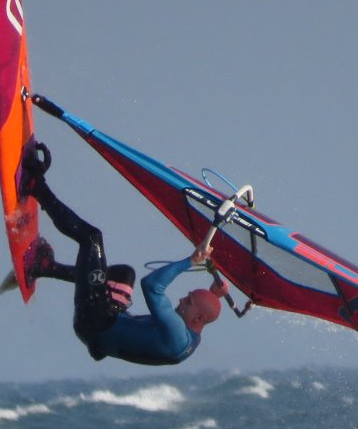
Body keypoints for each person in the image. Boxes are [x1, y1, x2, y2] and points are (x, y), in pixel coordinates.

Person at [19, 142, 223, 365]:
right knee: (124, 274)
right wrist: (215, 295)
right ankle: (46, 267)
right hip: (113, 323)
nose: (182, 299)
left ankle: (35, 185)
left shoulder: (176, 334)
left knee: (91, 239)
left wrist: (191, 261)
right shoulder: (193, 328)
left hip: (95, 322)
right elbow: (204, 310)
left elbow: (152, 286)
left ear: (198, 317)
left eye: (189, 301)